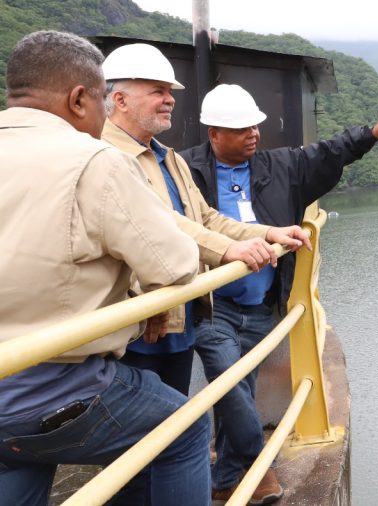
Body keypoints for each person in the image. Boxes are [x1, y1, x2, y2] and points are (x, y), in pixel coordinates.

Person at [0, 31, 211, 505]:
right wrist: (143, 305)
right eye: (99, 100)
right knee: (187, 428)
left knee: (18, 457)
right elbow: (175, 265)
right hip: (55, 390)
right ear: (80, 99)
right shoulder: (95, 159)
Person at [101, 44, 311, 505]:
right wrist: (232, 249)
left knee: (168, 437)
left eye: (170, 92)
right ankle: (246, 470)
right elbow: (158, 224)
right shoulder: (102, 157)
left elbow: (205, 219)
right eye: (157, 91)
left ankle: (224, 478)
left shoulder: (168, 158)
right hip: (133, 324)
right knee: (134, 449)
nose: (169, 99)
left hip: (178, 317)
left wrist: (268, 231)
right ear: (118, 99)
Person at [179, 83, 378, 504]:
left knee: (241, 389)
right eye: (242, 128)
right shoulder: (186, 173)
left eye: (255, 126)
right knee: (229, 383)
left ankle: (226, 479)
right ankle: (260, 465)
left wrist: (368, 135)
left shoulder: (279, 167)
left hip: (261, 304)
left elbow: (327, 153)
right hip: (212, 306)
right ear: (214, 133)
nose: (254, 135)